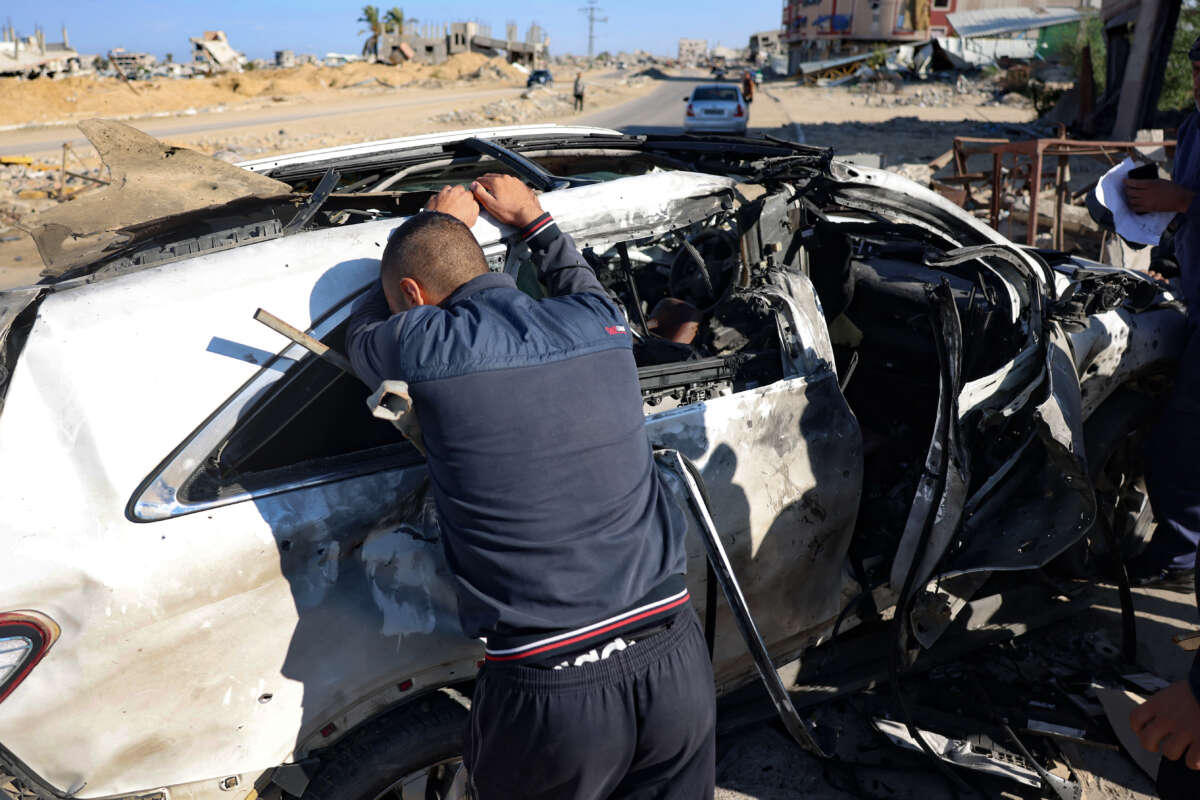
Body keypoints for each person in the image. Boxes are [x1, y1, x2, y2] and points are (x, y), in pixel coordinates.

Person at [345, 176, 716, 800]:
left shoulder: (422, 341)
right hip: (675, 658)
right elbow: (576, 278)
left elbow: (359, 334)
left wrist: (431, 230)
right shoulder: (600, 321)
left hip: (554, 687)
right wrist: (533, 220)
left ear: (411, 295)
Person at [1127, 35, 1200, 799]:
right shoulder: (1190, 124)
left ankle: (1178, 553)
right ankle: (1179, 552)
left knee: (1182, 442)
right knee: (1177, 448)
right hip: (1192, 299)